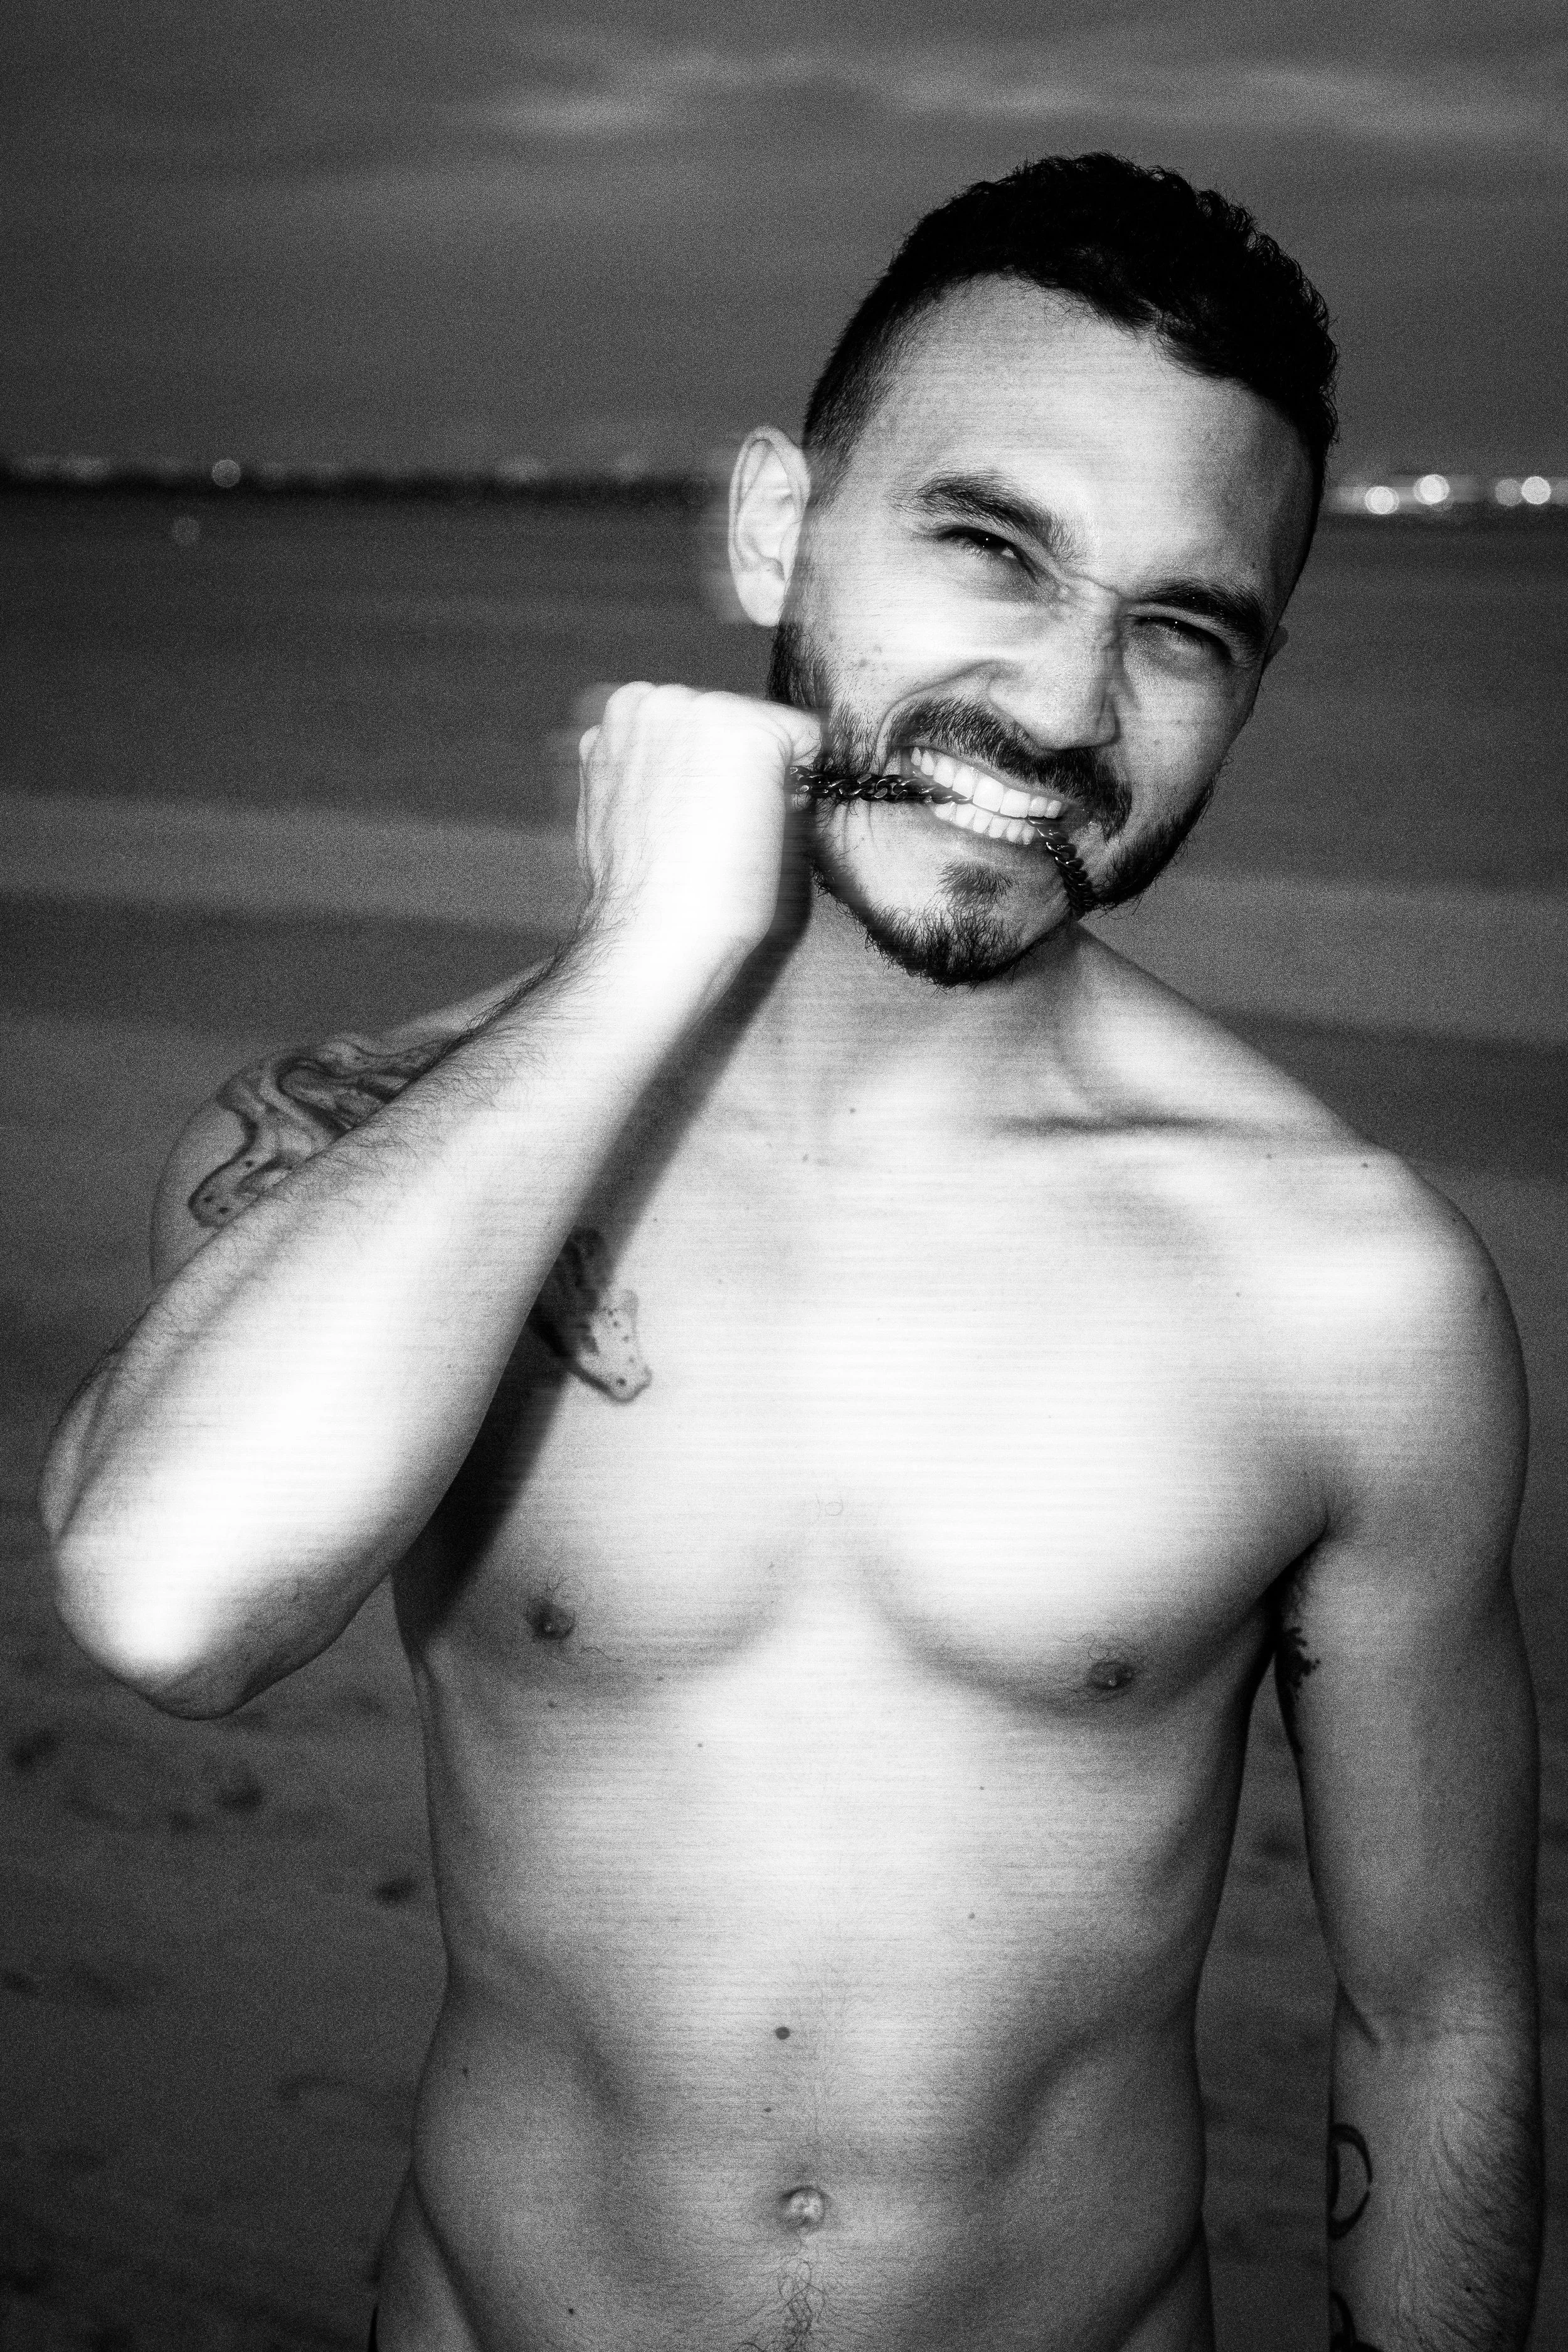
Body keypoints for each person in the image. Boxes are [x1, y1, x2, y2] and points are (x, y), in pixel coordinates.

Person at [40, 153, 1540, 2352]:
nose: (1058, 706)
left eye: (1182, 628)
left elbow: (1441, 2024)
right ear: (775, 525)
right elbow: (171, 1605)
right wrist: (645, 958)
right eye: (991, 548)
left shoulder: (1345, 1290)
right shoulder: (387, 1160)